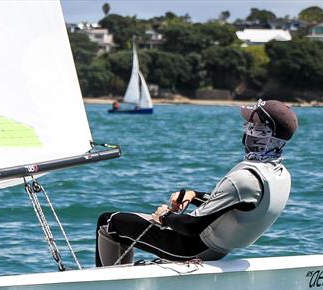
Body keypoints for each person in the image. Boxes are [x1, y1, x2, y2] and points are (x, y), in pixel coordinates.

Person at [95, 99, 298, 267]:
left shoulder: (244, 179)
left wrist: (165, 216)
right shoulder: (279, 175)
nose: (245, 130)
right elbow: (234, 208)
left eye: (250, 125)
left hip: (188, 246)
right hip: (217, 249)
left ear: (260, 133)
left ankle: (106, 287)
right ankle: (125, 275)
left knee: (108, 222)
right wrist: (194, 195)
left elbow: (191, 227)